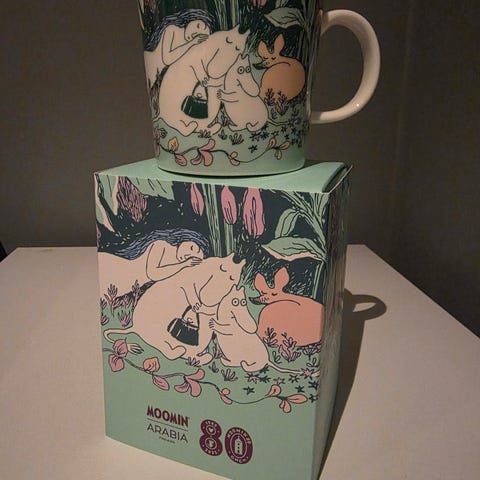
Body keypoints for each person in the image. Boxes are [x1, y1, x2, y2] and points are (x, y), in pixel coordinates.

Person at [98, 229, 210, 299]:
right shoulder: (161, 245)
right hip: (119, 271)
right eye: (191, 248)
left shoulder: (178, 268)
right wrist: (183, 265)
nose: (188, 255)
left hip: (128, 285)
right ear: (187, 238)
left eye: (193, 258)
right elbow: (153, 273)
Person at [144, 10, 213, 89]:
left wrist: (203, 77)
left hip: (159, 76)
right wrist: (192, 43)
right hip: (152, 69)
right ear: (192, 18)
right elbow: (167, 59)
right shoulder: (172, 29)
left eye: (200, 36)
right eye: (198, 26)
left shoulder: (191, 46)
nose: (195, 34)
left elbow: (195, 63)